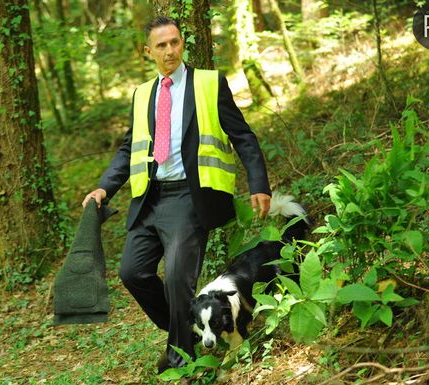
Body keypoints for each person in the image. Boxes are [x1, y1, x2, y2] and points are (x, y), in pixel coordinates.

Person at [82, 16, 272, 373]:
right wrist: (105, 186)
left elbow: (243, 136)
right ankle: (188, 329)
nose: (170, 50)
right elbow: (128, 149)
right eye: (162, 45)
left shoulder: (208, 83)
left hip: (190, 198)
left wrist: (259, 184)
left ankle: (181, 360)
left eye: (175, 42)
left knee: (177, 277)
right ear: (147, 51)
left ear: (182, 43)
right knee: (132, 272)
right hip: (150, 199)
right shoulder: (142, 94)